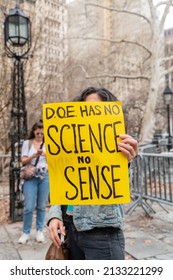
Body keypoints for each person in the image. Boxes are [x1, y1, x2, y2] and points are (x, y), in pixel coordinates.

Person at [47, 87, 138, 260]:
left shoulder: (119, 147)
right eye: (84, 109)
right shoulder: (70, 146)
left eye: (95, 109)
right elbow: (60, 184)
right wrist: (54, 215)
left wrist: (126, 164)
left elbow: (123, 192)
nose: (89, 114)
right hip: (70, 232)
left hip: (102, 235)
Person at [18, 120, 49, 244]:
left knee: (42, 206)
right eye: (37, 133)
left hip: (44, 176)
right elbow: (23, 160)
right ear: (34, 132)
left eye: (42, 133)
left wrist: (45, 154)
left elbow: (54, 158)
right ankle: (26, 232)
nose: (40, 136)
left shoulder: (48, 143)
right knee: (29, 206)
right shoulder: (28, 143)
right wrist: (34, 156)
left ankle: (39, 231)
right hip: (31, 177)